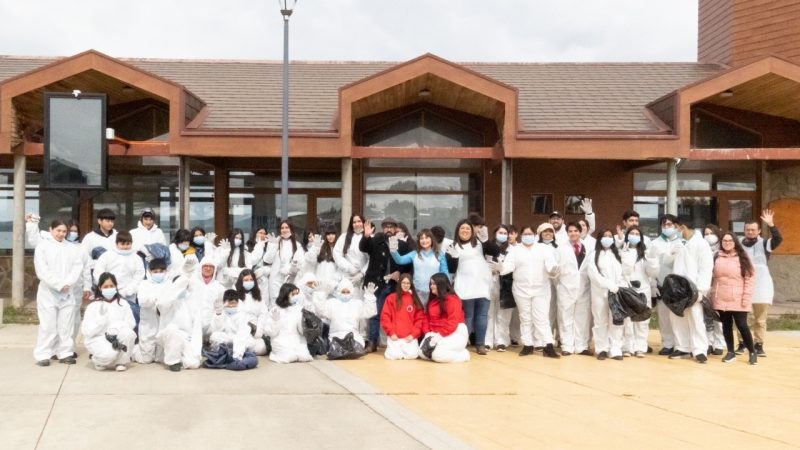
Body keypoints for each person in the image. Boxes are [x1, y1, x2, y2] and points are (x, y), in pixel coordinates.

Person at [494, 224, 560, 358]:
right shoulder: (515, 250)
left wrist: (553, 269)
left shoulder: (543, 249)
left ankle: (548, 345)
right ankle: (528, 345)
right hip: (521, 289)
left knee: (541, 318)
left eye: (530, 234)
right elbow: (509, 266)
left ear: (535, 235)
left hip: (541, 289)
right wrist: (501, 268)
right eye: (525, 234)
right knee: (525, 317)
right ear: (521, 236)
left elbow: (550, 263)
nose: (528, 237)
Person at [32, 219, 84, 366]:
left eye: (64, 231)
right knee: (48, 325)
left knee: (66, 325)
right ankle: (43, 354)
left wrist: (68, 283)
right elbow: (42, 270)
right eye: (58, 231)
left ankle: (65, 353)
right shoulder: (43, 247)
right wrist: (59, 284)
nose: (61, 234)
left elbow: (77, 267)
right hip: (48, 292)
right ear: (51, 229)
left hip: (67, 292)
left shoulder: (72, 248)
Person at [360, 217, 410, 353]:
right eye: (386, 227)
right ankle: (372, 343)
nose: (388, 229)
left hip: (394, 284)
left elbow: (408, 264)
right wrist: (365, 236)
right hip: (377, 283)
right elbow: (363, 247)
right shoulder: (376, 240)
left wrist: (399, 272)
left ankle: (395, 342)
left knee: (396, 315)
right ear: (383, 229)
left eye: (391, 227)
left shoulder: (402, 244)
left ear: (395, 229)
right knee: (375, 314)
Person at [737, 209, 783, 357]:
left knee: (760, 319)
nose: (750, 232)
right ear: (744, 230)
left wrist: (771, 224)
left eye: (753, 230)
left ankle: (758, 345)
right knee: (741, 318)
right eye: (748, 229)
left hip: (762, 286)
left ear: (758, 231)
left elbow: (778, 239)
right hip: (743, 284)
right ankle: (742, 343)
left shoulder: (765, 243)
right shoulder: (738, 245)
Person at [669, 217, 714, 364]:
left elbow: (706, 269)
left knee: (695, 318)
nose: (676, 230)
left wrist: (701, 290)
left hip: (694, 288)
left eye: (676, 227)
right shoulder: (679, 243)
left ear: (682, 227)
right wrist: (672, 254)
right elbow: (669, 263)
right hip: (678, 287)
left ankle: (700, 349)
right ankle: (682, 347)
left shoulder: (701, 244)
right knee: (678, 317)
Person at [446, 219, 494, 355]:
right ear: (457, 230)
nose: (465, 231)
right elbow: (451, 268)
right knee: (468, 316)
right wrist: (454, 258)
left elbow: (494, 251)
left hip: (482, 284)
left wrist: (486, 241)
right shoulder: (452, 246)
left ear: (472, 231)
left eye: (468, 228)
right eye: (462, 228)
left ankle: (480, 344)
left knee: (482, 315)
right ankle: (462, 342)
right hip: (465, 286)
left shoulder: (479, 243)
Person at [153, 260, 209, 371]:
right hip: (168, 335)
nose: (183, 289)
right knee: (173, 330)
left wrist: (196, 352)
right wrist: (184, 276)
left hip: (185, 338)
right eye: (180, 286)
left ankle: (179, 356)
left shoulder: (192, 302)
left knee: (193, 364)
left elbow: (197, 330)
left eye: (185, 286)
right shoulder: (168, 301)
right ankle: (173, 361)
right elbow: (161, 304)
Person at [712, 231, 758, 365]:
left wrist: (746, 298)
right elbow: (712, 278)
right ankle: (731, 352)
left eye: (730, 241)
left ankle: (752, 351)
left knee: (742, 326)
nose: (727, 243)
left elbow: (750, 279)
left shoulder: (743, 257)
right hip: (720, 297)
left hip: (738, 298)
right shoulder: (716, 257)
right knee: (726, 326)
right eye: (724, 241)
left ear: (735, 242)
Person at [81, 273, 136, 371]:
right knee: (108, 355)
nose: (109, 288)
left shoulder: (123, 303)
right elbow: (86, 331)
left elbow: (131, 323)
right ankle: (98, 360)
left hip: (117, 336)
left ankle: (121, 362)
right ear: (100, 288)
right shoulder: (93, 306)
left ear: (116, 287)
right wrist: (100, 323)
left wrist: (117, 329)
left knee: (129, 334)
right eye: (105, 286)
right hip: (98, 338)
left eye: (111, 286)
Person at [586, 229, 627, 360]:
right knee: (600, 321)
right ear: (600, 238)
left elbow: (623, 273)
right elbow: (594, 275)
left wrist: (619, 286)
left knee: (616, 321)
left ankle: (615, 349)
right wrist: (609, 285)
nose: (608, 238)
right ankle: (601, 348)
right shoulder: (593, 255)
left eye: (610, 236)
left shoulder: (617, 254)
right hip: (600, 293)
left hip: (616, 293)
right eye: (605, 236)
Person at [93, 231, 146, 330]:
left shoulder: (136, 258)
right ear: (116, 243)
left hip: (129, 296)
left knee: (128, 322)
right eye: (122, 244)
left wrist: (126, 291)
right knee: (107, 321)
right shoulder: (107, 256)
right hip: (108, 294)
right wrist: (108, 288)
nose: (125, 247)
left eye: (128, 244)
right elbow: (99, 273)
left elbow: (139, 277)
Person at [554, 222, 593, 356]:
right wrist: (560, 284)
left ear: (580, 232)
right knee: (565, 318)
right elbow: (555, 271)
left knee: (582, 318)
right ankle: (567, 346)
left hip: (583, 288)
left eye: (576, 231)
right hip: (566, 288)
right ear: (567, 233)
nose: (573, 233)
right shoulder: (561, 249)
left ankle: (582, 346)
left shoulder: (589, 247)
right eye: (570, 231)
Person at [620, 226, 659, 357]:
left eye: (637, 234)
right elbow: (623, 271)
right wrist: (624, 256)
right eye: (632, 233)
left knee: (642, 321)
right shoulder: (621, 251)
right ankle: (627, 347)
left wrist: (653, 260)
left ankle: (640, 347)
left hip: (643, 289)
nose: (634, 235)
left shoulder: (645, 253)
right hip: (627, 289)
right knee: (627, 320)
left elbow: (652, 273)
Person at [313, 278, 378, 356]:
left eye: (348, 292)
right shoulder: (332, 303)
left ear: (351, 292)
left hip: (354, 337)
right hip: (335, 337)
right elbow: (320, 311)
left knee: (357, 345)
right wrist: (320, 294)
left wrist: (370, 297)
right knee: (336, 348)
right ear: (338, 292)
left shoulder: (356, 304)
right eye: (343, 292)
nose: (345, 294)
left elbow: (370, 312)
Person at [649, 214, 683, 355]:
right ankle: (667, 344)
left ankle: (680, 345)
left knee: (679, 317)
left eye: (670, 224)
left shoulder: (682, 242)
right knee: (664, 317)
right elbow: (650, 265)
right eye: (664, 225)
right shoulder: (655, 243)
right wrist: (653, 285)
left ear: (676, 226)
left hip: (679, 287)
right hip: (662, 285)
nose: (667, 227)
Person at [419, 273, 470, 363]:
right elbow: (426, 318)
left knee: (438, 355)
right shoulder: (433, 301)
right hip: (436, 334)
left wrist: (440, 335)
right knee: (422, 353)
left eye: (434, 284)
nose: (431, 286)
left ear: (441, 285)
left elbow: (453, 322)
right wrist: (427, 333)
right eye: (431, 284)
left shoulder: (453, 300)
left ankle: (464, 355)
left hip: (455, 332)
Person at [390, 228, 448, 306]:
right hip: (417, 292)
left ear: (432, 239)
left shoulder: (439, 254)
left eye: (427, 238)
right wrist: (393, 250)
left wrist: (445, 289)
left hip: (434, 292)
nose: (424, 240)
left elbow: (445, 273)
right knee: (418, 315)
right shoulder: (415, 254)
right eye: (421, 238)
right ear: (419, 241)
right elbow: (400, 260)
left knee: (433, 315)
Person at [208, 289, 264, 365]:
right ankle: (225, 352)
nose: (231, 306)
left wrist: (237, 355)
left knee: (250, 342)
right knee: (214, 336)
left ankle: (236, 357)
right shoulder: (221, 312)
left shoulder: (242, 314)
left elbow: (242, 334)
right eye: (229, 303)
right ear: (224, 303)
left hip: (240, 340)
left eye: (233, 303)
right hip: (227, 339)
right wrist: (218, 314)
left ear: (238, 302)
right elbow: (216, 329)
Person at [262, 283, 313, 364]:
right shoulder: (275, 310)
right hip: (280, 339)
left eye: (297, 294)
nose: (296, 296)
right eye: (293, 294)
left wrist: (304, 320)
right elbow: (270, 332)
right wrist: (275, 321)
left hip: (297, 339)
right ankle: (276, 354)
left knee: (305, 357)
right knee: (289, 357)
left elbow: (301, 331)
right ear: (285, 294)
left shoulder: (299, 309)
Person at [381, 273, 426, 360]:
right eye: (403, 283)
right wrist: (391, 332)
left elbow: (419, 320)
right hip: (395, 336)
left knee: (412, 355)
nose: (406, 285)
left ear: (411, 285)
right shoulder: (391, 298)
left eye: (408, 283)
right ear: (399, 283)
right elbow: (385, 317)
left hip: (409, 337)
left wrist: (413, 335)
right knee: (393, 356)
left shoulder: (415, 299)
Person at [131, 258, 168, 364]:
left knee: (160, 359)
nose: (158, 274)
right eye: (155, 272)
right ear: (149, 272)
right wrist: (156, 300)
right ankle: (133, 350)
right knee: (146, 359)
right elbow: (142, 301)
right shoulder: (144, 284)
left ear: (166, 271)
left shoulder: (169, 284)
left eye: (161, 271)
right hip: (148, 326)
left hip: (163, 325)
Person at [485, 225, 515, 352]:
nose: (502, 234)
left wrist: (502, 269)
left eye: (505, 232)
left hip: (506, 284)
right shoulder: (487, 247)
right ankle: (488, 341)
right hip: (488, 282)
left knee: (503, 314)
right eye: (500, 232)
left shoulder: (513, 249)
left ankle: (501, 341)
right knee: (488, 313)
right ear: (495, 233)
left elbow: (514, 266)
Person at [263, 221, 305, 303]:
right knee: (275, 302)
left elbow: (300, 263)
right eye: (282, 228)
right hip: (275, 279)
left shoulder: (297, 245)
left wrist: (289, 268)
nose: (284, 230)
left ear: (291, 229)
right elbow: (267, 260)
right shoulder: (274, 241)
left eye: (287, 227)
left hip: (289, 279)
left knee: (289, 303)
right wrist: (273, 245)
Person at [234, 269, 269, 356]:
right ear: (241, 281)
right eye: (246, 280)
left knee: (262, 348)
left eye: (251, 280)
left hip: (253, 331)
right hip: (238, 330)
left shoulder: (258, 296)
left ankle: (243, 349)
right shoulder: (234, 294)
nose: (249, 282)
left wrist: (257, 331)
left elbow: (263, 314)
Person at [334, 214, 369, 297]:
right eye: (354, 222)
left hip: (361, 278)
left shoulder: (368, 238)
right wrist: (350, 268)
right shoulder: (344, 236)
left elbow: (371, 259)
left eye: (359, 221)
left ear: (363, 223)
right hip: (346, 276)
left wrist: (362, 273)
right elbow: (337, 254)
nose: (357, 224)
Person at [703, 223, 725, 355]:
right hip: (705, 286)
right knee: (707, 316)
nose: (709, 236)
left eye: (711, 233)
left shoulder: (722, 251)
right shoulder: (702, 249)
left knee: (719, 316)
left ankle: (719, 343)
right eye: (706, 234)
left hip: (719, 287)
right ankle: (708, 342)